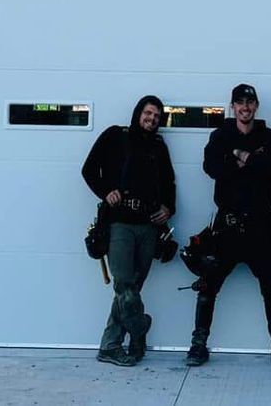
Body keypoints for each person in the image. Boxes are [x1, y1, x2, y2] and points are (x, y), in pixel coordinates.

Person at [188, 83, 271, 370]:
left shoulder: (269, 136)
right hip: (227, 226)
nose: (245, 107)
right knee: (209, 286)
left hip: (260, 227)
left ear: (256, 106)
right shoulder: (220, 135)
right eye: (240, 103)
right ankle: (198, 345)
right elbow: (212, 168)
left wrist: (238, 157)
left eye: (250, 102)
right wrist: (248, 158)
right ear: (232, 106)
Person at [81, 95, 176, 367]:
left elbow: (169, 182)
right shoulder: (115, 136)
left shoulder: (159, 146)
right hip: (119, 223)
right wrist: (105, 191)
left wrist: (169, 208)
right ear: (138, 113)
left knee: (131, 288)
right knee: (124, 284)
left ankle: (111, 346)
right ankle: (138, 330)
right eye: (148, 113)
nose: (152, 119)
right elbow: (88, 170)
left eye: (157, 116)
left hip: (148, 225)